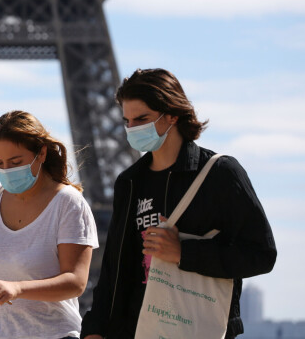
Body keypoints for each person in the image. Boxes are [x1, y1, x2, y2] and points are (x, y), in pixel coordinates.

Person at [81, 68, 277, 339]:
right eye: (127, 121)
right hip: (136, 330)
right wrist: (95, 329)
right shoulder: (129, 182)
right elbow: (114, 267)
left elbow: (262, 255)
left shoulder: (220, 174)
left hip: (197, 327)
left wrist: (184, 253)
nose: (132, 129)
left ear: (172, 114)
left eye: (142, 119)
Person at [0, 110, 99, 339]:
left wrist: (18, 288)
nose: (6, 170)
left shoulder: (68, 203)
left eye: (15, 162)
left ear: (41, 153)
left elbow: (75, 282)